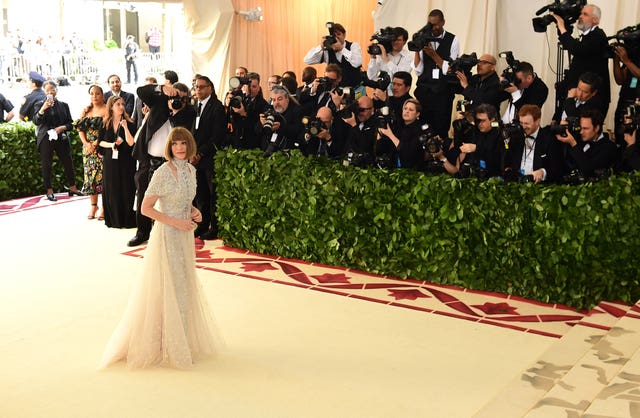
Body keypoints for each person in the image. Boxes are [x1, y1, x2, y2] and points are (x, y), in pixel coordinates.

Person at [99, 127, 221, 369]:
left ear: (189, 145)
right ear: (169, 147)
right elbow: (146, 208)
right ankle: (169, 344)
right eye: (175, 144)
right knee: (169, 287)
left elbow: (186, 201)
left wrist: (193, 211)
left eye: (183, 144)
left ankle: (180, 340)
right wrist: (175, 221)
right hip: (167, 236)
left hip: (185, 236)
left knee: (183, 287)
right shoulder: (163, 172)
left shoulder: (192, 170)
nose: (179, 148)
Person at [128, 80, 195, 247]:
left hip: (171, 164)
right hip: (148, 160)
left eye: (181, 97)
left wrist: (176, 111)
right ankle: (142, 232)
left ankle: (169, 233)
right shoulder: (158, 103)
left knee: (170, 200)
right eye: (174, 96)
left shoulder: (187, 113)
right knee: (144, 196)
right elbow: (141, 91)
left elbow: (183, 134)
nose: (176, 100)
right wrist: (161, 88)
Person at [552, 4, 610, 118]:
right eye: (581, 13)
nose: (580, 16)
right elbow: (578, 64)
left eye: (585, 14)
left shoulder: (598, 36)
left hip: (592, 101)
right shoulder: (587, 37)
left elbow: (577, 49)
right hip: (576, 94)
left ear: (595, 20)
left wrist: (562, 27)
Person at [412, 9, 460, 139]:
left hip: (443, 95)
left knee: (441, 130)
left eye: (436, 24)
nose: (433, 28)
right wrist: (417, 49)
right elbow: (418, 70)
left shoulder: (453, 40)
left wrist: (433, 55)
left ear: (443, 22)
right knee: (423, 130)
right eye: (430, 24)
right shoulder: (424, 37)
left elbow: (450, 69)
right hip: (424, 92)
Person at [32, 80, 82, 201]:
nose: (50, 92)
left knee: (68, 161)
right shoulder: (39, 104)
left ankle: (73, 188)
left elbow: (71, 123)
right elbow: (36, 121)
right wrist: (43, 109)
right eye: (48, 90)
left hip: (61, 136)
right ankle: (49, 190)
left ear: (56, 90)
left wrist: (62, 128)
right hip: (46, 137)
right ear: (44, 92)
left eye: (52, 89)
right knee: (46, 164)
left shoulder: (64, 105)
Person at [191, 75, 226, 240]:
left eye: (202, 87)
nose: (198, 90)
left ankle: (215, 227)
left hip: (209, 158)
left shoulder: (217, 107)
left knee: (213, 195)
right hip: (196, 158)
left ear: (210, 88)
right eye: (196, 86)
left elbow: (217, 137)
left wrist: (200, 153)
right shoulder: (196, 105)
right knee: (201, 194)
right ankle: (202, 224)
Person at [98, 95, 137, 228]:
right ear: (111, 107)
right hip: (110, 160)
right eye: (118, 104)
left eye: (122, 104)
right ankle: (113, 219)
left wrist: (125, 127)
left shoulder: (130, 122)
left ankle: (127, 219)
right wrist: (111, 145)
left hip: (126, 161)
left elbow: (132, 143)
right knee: (112, 188)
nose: (121, 107)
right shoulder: (105, 123)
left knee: (126, 188)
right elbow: (100, 142)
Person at [502, 104, 562, 183]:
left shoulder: (549, 139)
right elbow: (506, 162)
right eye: (521, 123)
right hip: (516, 184)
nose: (523, 127)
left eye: (526, 123)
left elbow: (557, 168)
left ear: (537, 121)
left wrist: (542, 172)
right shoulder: (516, 137)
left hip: (538, 186)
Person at [555, 108, 618, 179]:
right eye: (581, 128)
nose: (581, 132)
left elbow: (588, 168)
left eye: (585, 129)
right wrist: (563, 130)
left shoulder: (609, 147)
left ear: (597, 128)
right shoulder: (579, 139)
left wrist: (573, 144)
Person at [75, 84, 107, 219]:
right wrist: (86, 143)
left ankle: (105, 207)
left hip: (101, 147)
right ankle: (93, 206)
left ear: (102, 95)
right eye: (92, 94)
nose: (94, 96)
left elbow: (108, 129)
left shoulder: (107, 110)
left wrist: (96, 142)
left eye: (97, 93)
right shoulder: (86, 111)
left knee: (103, 177)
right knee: (90, 177)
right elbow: (79, 129)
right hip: (88, 149)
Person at [304, 22, 363, 88]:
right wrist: (320, 47)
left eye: (338, 34)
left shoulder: (353, 46)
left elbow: (358, 62)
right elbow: (307, 60)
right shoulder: (327, 50)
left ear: (344, 35)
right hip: (336, 91)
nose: (336, 38)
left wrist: (341, 49)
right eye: (334, 36)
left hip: (355, 89)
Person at [377, 98, 426, 170]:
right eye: (405, 108)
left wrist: (390, 135)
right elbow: (380, 151)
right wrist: (380, 134)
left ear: (417, 114)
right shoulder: (397, 126)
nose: (407, 111)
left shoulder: (420, 130)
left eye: (411, 110)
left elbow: (408, 153)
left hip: (413, 171)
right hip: (393, 168)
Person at [458, 103, 503, 177]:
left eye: (483, 121)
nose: (480, 124)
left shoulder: (500, 134)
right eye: (478, 121)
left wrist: (477, 148)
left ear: (492, 119)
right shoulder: (477, 131)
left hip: (493, 176)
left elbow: (496, 158)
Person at [259, 85, 304, 154]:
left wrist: (280, 127)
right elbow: (256, 130)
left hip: (289, 150)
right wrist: (262, 124)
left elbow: (298, 129)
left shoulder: (296, 110)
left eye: (279, 99)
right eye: (274, 100)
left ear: (287, 99)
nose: (276, 103)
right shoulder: (269, 110)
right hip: (269, 150)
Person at [612, 44, 640, 145]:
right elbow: (619, 80)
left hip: (637, 102)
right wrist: (616, 59)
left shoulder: (630, 60)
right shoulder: (634, 55)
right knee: (621, 136)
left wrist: (627, 61)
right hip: (625, 99)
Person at [343, 95, 378, 166]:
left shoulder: (376, 123)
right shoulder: (352, 120)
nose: (360, 113)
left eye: (363, 110)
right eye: (358, 109)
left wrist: (355, 126)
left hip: (367, 165)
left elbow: (366, 146)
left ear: (372, 110)